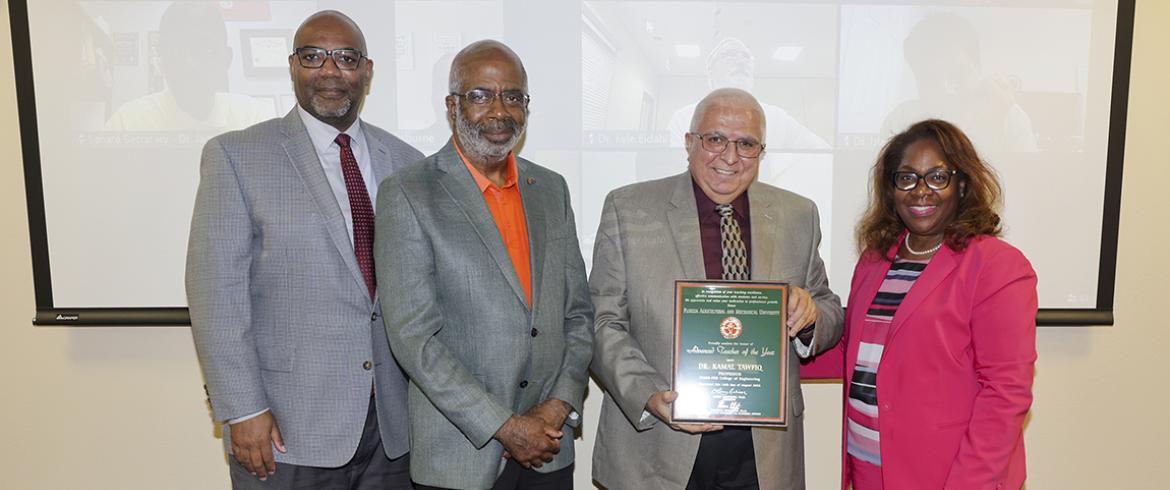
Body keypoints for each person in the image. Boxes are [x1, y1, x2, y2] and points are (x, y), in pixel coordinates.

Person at [186, 11, 420, 489]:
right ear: (292, 66)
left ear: (367, 71)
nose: (330, 71)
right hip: (285, 431)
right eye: (313, 56)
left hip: (393, 430)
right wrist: (243, 408)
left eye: (346, 58)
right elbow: (215, 294)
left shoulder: (405, 162)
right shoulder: (236, 155)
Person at [590, 87, 843, 490]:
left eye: (746, 143)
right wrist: (649, 395)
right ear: (689, 143)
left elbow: (829, 307)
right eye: (715, 139)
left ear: (761, 152)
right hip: (660, 441)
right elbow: (603, 321)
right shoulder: (630, 208)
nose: (729, 157)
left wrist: (811, 315)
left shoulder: (798, 214)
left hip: (763, 452)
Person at [374, 40, 594, 490]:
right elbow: (414, 338)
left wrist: (557, 406)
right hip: (459, 459)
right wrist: (506, 427)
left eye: (513, 96)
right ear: (452, 106)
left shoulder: (551, 190)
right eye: (480, 95)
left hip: (549, 454)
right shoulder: (409, 194)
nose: (500, 110)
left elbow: (578, 316)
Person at [825, 119, 1037, 488]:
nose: (921, 191)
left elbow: (1005, 392)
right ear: (891, 189)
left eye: (937, 177)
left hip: (944, 474)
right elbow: (858, 353)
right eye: (906, 178)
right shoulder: (875, 260)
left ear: (962, 184)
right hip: (867, 469)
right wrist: (778, 338)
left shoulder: (995, 265)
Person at [103, 2, 273, 132]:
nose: (188, 63)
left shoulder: (256, 120)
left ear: (226, 60)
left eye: (204, 49)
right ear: (161, 60)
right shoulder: (126, 124)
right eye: (176, 50)